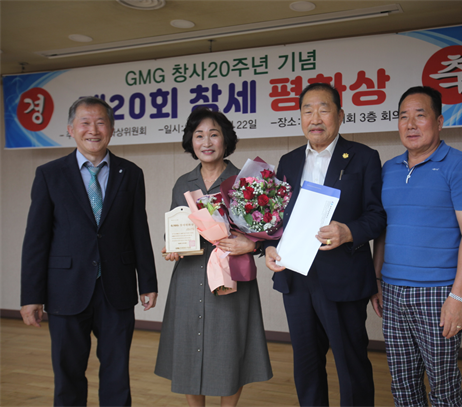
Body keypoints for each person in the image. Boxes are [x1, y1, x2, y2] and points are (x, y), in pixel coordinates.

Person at [20, 97, 158, 406]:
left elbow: (139, 229)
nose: (93, 130)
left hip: (117, 288)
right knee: (68, 374)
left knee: (116, 374)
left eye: (100, 123)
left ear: (111, 129)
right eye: (85, 123)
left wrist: (147, 282)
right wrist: (31, 295)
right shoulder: (50, 174)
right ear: (71, 129)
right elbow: (36, 239)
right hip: (65, 290)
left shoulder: (130, 173)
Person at [264, 82, 386, 406]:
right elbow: (278, 220)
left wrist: (348, 231)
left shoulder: (363, 157)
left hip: (343, 277)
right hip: (296, 278)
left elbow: (377, 216)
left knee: (351, 366)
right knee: (306, 367)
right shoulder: (288, 161)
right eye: (307, 110)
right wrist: (270, 247)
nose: (315, 118)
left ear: (340, 115)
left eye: (323, 109)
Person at [371, 86, 462, 406]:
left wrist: (458, 297)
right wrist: (376, 279)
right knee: (402, 383)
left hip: (438, 292)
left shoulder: (460, 165)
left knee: (443, 385)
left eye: (420, 116)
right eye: (403, 117)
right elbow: (383, 230)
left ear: (439, 121)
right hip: (392, 291)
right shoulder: (389, 169)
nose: (410, 124)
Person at [155, 107, 272, 407]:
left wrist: (251, 244)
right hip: (189, 275)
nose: (206, 142)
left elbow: (265, 234)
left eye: (213, 134)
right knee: (187, 349)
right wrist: (172, 246)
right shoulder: (183, 183)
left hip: (230, 277)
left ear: (225, 140)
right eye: (199, 135)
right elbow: (175, 228)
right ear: (191, 142)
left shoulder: (245, 182)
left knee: (229, 348)